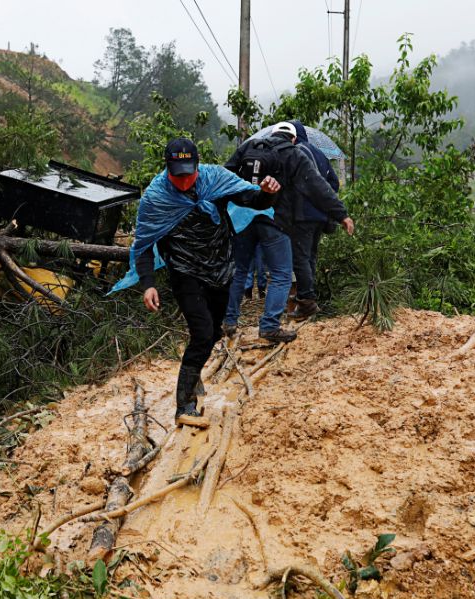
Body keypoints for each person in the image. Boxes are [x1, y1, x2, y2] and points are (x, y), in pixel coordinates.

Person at [110, 137, 279, 427]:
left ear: (198, 166)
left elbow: (251, 199)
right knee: (201, 334)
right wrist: (148, 283)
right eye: (178, 175)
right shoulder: (156, 198)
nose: (185, 182)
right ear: (168, 169)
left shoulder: (216, 180)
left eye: (190, 174)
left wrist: (267, 193)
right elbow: (144, 244)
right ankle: (184, 406)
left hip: (221, 267)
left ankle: (194, 373)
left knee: (214, 332)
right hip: (185, 272)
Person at [222, 122, 353, 342]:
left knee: (240, 270)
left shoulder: (249, 147)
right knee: (281, 274)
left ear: (272, 134)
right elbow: (317, 186)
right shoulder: (294, 153)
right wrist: (341, 214)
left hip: (243, 219)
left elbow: (225, 175)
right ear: (293, 138)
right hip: (274, 220)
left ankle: (229, 321)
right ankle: (270, 327)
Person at [288, 120, 346, 319]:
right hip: (320, 216)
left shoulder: (297, 152)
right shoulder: (318, 153)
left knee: (300, 257)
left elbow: (309, 182)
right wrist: (324, 202)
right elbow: (333, 183)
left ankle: (306, 300)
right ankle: (308, 298)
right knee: (310, 256)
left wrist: (305, 196)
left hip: (303, 215)